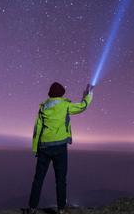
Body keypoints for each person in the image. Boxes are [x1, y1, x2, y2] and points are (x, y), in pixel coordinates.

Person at [25, 81, 93, 214]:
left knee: (38, 179)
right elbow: (82, 107)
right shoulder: (65, 105)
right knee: (61, 180)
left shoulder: (43, 107)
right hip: (60, 147)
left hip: (44, 146)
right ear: (62, 93)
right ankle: (61, 209)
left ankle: (32, 208)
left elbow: (37, 129)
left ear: (50, 93)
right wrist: (88, 95)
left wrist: (35, 149)